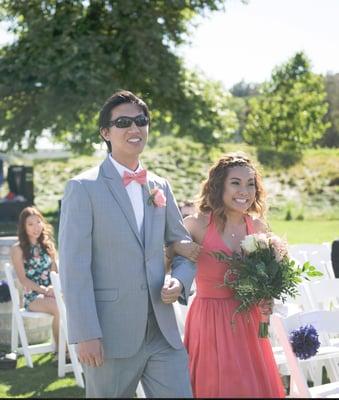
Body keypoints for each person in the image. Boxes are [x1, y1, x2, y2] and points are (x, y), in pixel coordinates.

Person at [58, 90, 196, 398]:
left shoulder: (161, 186)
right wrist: (85, 333)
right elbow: (73, 268)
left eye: (140, 120)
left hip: (163, 332)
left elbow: (183, 246)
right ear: (105, 133)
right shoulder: (82, 188)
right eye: (123, 122)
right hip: (109, 335)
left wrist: (181, 281)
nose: (134, 128)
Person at [176, 152, 285, 398]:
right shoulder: (196, 225)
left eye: (250, 184)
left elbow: (265, 277)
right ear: (219, 186)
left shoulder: (257, 228)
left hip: (249, 320)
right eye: (235, 183)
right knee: (216, 385)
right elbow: (168, 261)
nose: (244, 191)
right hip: (209, 320)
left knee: (252, 385)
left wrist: (268, 296)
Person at [10, 206, 60, 353]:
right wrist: (43, 290)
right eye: (30, 224)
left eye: (38, 222)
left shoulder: (48, 245)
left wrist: (51, 288)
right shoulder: (17, 249)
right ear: (23, 227)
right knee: (59, 308)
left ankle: (70, 349)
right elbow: (23, 280)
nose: (35, 227)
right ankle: (62, 351)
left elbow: (54, 273)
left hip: (52, 293)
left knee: (72, 304)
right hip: (33, 297)